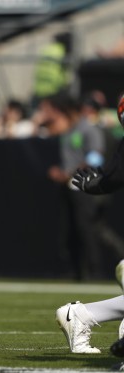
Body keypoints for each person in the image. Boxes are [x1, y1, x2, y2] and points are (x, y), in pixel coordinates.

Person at [55, 93, 124, 358]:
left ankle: (82, 315)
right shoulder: (76, 130)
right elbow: (113, 173)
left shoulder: (89, 130)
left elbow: (111, 173)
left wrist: (98, 183)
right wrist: (97, 182)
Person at [39, 93, 107, 280]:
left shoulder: (88, 129)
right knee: (69, 230)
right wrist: (61, 171)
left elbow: (96, 157)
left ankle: (95, 271)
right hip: (68, 186)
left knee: (87, 229)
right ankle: (76, 271)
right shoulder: (68, 131)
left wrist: (70, 172)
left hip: (85, 186)